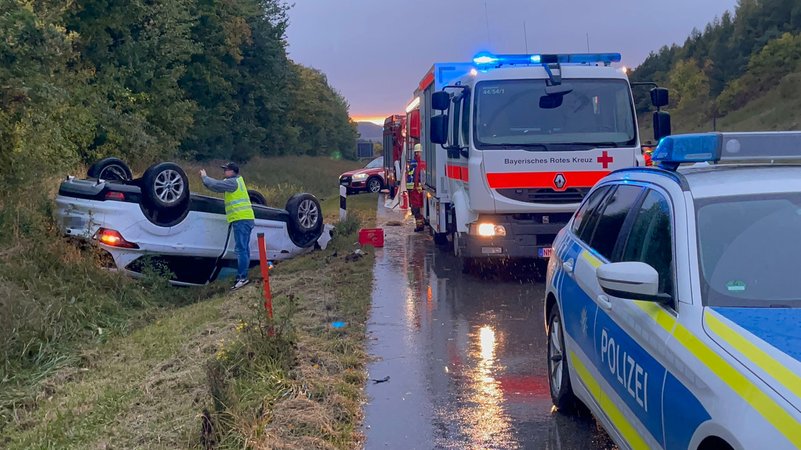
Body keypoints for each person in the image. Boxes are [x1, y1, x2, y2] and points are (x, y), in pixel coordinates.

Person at [200, 162, 255, 290]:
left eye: (226, 170)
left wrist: (204, 177)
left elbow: (215, 185)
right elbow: (216, 187)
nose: (224, 172)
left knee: (241, 250)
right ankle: (243, 276)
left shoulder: (232, 183)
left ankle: (242, 278)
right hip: (245, 219)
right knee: (244, 249)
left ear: (232, 171)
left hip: (241, 220)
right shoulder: (238, 182)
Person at [408, 144, 425, 232]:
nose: (419, 154)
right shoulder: (415, 162)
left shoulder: (414, 162)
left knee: (418, 208)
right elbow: (411, 176)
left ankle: (420, 225)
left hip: (417, 189)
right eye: (418, 152)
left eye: (420, 152)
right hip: (416, 189)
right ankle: (420, 225)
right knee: (416, 209)